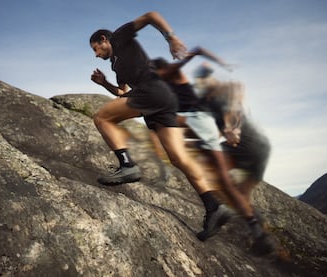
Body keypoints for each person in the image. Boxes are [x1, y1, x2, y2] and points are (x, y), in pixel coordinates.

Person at [89, 11, 227, 238]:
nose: (96, 55)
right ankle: (214, 206)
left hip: (152, 92)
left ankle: (127, 165)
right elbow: (122, 94)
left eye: (95, 48)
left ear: (104, 39)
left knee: (101, 118)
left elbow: (151, 16)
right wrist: (104, 83)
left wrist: (171, 38)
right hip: (159, 100)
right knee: (178, 158)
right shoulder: (115, 66)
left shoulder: (120, 36)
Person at [193, 63, 275, 255]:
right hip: (261, 146)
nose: (205, 82)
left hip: (246, 143)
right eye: (202, 79)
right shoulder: (206, 102)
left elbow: (234, 104)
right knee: (242, 196)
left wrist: (231, 127)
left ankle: (221, 211)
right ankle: (258, 235)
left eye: (207, 77)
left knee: (213, 164)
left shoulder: (226, 90)